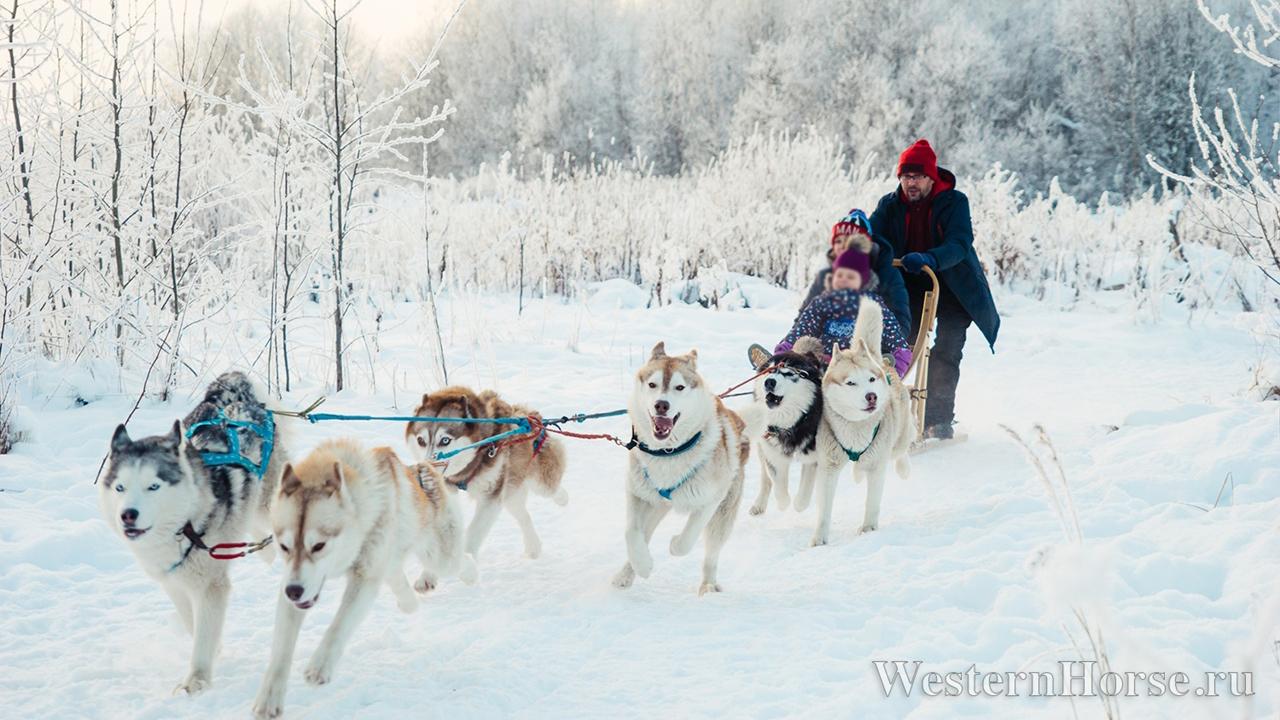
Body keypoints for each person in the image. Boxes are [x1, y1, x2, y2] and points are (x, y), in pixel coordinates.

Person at [869, 139, 1000, 440]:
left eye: (917, 177)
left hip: (954, 286)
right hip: (911, 284)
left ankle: (937, 419)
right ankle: (886, 414)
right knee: (902, 347)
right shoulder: (890, 205)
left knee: (947, 349)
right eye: (905, 177)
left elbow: (959, 243)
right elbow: (871, 235)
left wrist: (931, 257)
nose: (910, 183)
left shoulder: (954, 202)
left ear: (931, 177)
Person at [774, 247, 912, 378]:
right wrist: (786, 347)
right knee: (805, 351)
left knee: (867, 363)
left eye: (850, 276)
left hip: (858, 366)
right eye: (839, 274)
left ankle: (881, 372)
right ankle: (783, 364)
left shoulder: (872, 304)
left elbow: (890, 331)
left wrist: (899, 358)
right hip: (825, 364)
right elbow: (804, 327)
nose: (844, 279)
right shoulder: (822, 302)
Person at [801, 209, 911, 332]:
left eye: (850, 240)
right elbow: (803, 318)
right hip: (824, 344)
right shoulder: (825, 276)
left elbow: (900, 321)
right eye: (838, 241)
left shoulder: (887, 275)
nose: (843, 246)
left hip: (869, 343)